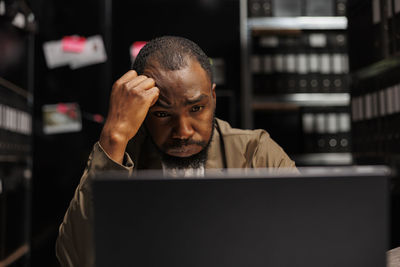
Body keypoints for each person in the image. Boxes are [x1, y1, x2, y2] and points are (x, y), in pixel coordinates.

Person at [55, 36, 297, 267]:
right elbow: (76, 260)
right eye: (162, 114)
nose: (182, 131)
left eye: (196, 108)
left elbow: (303, 244)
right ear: (143, 112)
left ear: (213, 98)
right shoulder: (120, 156)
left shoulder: (254, 153)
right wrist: (112, 138)